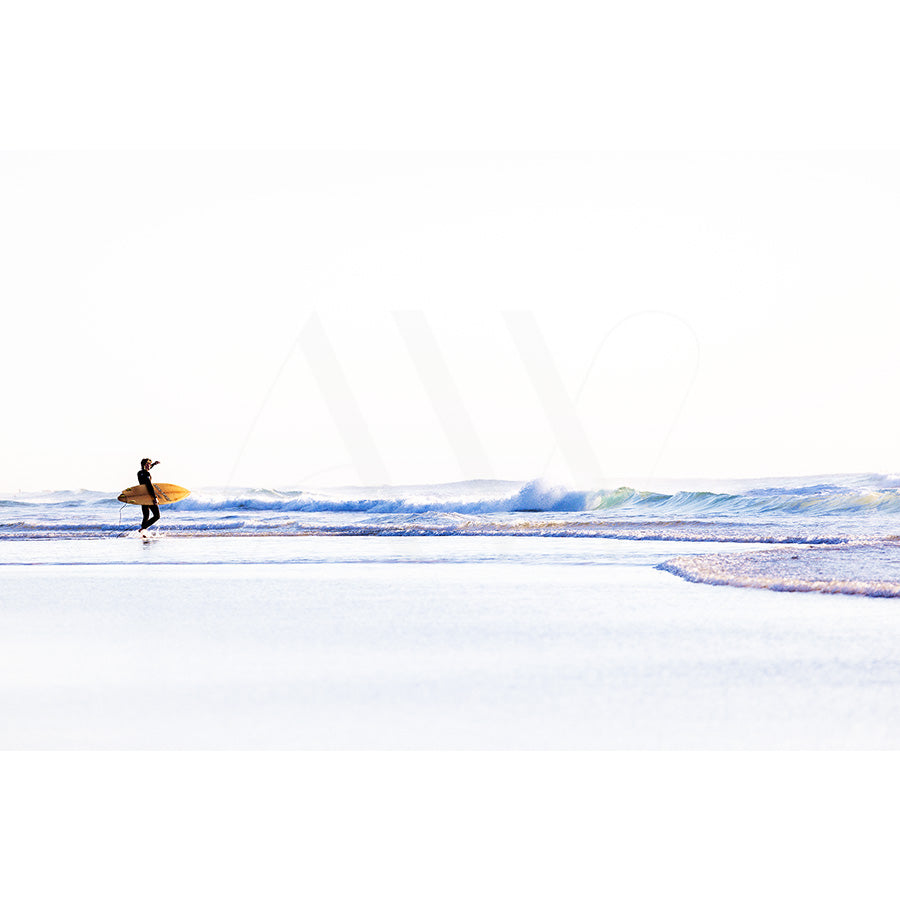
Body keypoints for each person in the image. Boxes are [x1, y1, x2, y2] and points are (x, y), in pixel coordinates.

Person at [138, 458, 161, 535]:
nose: (149, 466)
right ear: (144, 465)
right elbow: (149, 486)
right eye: (147, 464)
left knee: (146, 516)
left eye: (149, 464)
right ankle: (143, 529)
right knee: (157, 516)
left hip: (142, 497)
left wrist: (154, 464)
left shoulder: (140, 473)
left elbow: (147, 469)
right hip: (149, 497)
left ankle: (143, 534)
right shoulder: (147, 474)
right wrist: (154, 498)